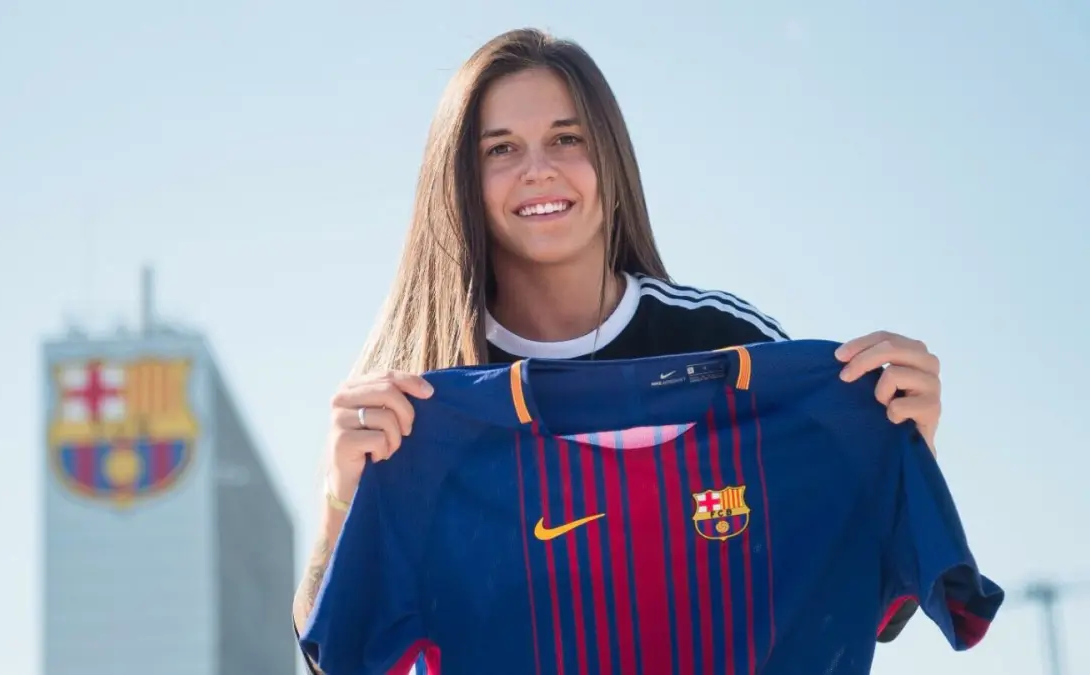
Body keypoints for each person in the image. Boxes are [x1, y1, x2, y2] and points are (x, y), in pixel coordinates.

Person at [292, 27, 943, 671]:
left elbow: (867, 601)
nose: (538, 169)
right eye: (501, 148)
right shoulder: (421, 402)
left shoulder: (731, 344)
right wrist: (339, 504)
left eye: (566, 138)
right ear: (462, 176)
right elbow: (336, 660)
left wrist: (905, 448)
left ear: (610, 154)